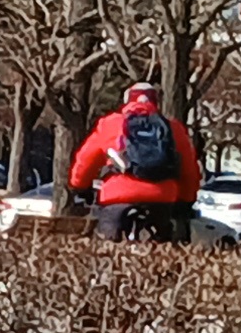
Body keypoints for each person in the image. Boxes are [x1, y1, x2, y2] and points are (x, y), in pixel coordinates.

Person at [65, 80, 203, 246]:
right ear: (155, 102)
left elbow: (85, 160)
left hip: (117, 198)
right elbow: (190, 170)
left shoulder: (110, 124)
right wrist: (186, 200)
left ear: (127, 101)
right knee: (161, 252)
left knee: (108, 252)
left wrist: (79, 186)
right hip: (161, 198)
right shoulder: (172, 128)